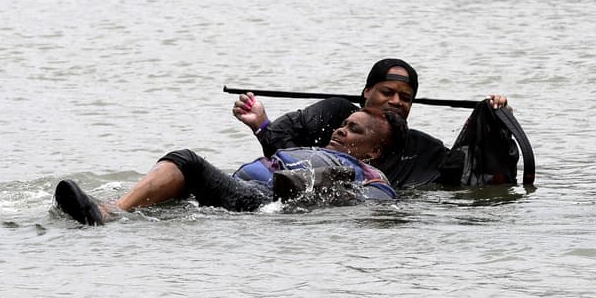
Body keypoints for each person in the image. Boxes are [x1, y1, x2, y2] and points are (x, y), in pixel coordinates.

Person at [53, 108, 408, 226]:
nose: (341, 130)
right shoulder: (306, 150)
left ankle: (111, 212)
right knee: (184, 170)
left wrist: (322, 186)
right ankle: (111, 202)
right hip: (236, 188)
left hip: (261, 200)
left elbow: (375, 204)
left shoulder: (372, 175)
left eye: (354, 130)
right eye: (343, 124)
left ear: (374, 151)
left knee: (188, 159)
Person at [231, 58, 516, 188]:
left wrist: (493, 122)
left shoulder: (423, 148)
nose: (396, 101)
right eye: (387, 92)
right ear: (367, 92)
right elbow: (282, 150)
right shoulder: (335, 115)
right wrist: (261, 124)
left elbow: (471, 174)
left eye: (405, 97)